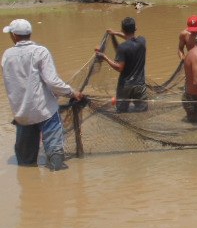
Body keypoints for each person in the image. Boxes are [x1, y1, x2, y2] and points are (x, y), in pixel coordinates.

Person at [2, 19, 83, 170]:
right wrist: (72, 93)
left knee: (25, 163)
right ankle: (56, 178)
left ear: (13, 35)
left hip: (22, 114)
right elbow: (52, 82)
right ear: (30, 34)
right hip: (45, 111)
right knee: (55, 157)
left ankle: (31, 188)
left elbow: (13, 84)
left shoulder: (7, 55)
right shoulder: (40, 52)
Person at [95, 17, 147, 113]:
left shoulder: (122, 48)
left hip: (125, 85)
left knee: (121, 111)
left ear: (122, 30)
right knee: (142, 110)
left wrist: (105, 57)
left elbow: (119, 68)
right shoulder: (142, 41)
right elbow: (130, 38)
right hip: (140, 84)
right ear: (135, 28)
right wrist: (115, 33)